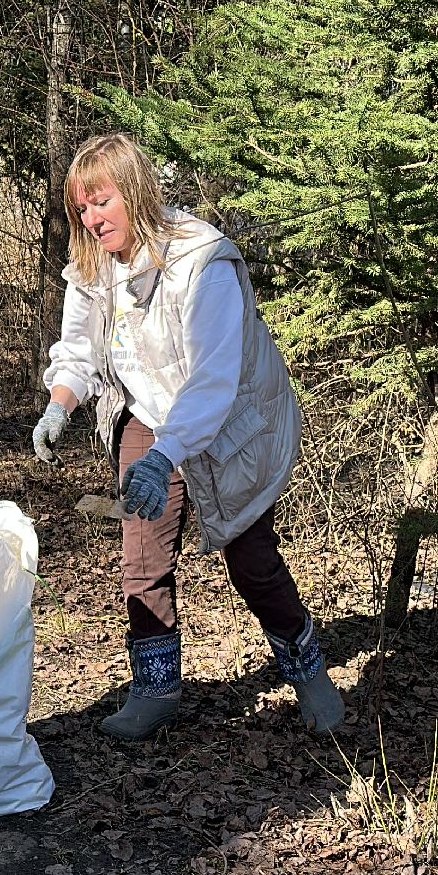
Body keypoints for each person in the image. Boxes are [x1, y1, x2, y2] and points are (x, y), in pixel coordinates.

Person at [31, 133, 346, 741]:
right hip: (147, 411)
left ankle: (309, 671)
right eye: (83, 208)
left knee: (251, 561)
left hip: (230, 422)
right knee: (142, 556)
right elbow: (77, 351)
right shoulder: (93, 268)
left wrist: (166, 456)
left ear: (137, 193)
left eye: (103, 202)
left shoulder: (202, 263)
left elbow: (212, 380)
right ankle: (156, 689)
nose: (93, 220)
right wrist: (59, 406)